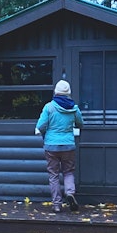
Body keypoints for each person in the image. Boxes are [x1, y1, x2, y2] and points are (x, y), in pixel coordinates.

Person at [35, 79, 84, 212]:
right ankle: (69, 193)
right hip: (68, 145)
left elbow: (41, 126)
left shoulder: (49, 107)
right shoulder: (74, 108)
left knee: (54, 175)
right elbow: (81, 123)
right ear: (68, 93)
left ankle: (57, 204)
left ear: (56, 92)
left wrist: (43, 132)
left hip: (51, 146)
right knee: (68, 172)